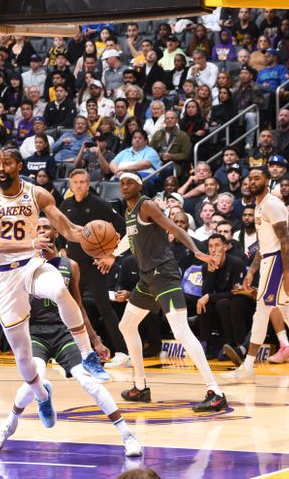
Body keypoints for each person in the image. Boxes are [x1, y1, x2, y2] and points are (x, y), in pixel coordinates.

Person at [0, 146, 110, 432]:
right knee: (24, 361)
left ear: (19, 166)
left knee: (60, 289)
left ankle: (87, 354)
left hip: (31, 265)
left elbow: (70, 229)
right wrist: (31, 243)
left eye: (6, 162)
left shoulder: (38, 194)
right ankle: (41, 395)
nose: (0, 167)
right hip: (4, 276)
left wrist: (100, 242)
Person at [0, 217, 142, 457]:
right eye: (37, 227)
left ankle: (127, 434)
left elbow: (78, 306)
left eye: (46, 227)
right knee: (33, 380)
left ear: (54, 233)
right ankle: (9, 423)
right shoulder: (21, 262)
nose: (42, 230)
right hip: (35, 332)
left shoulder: (70, 266)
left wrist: (95, 340)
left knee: (88, 382)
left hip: (64, 333)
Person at [96, 172, 227, 412]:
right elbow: (130, 237)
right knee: (127, 325)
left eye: (129, 183)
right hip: (147, 279)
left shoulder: (147, 205)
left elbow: (174, 229)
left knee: (181, 332)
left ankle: (215, 391)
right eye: (122, 183)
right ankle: (140, 386)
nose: (124, 186)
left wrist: (197, 252)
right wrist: (112, 254)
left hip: (164, 275)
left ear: (140, 185)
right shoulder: (129, 211)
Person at [221, 166, 289, 384]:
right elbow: (264, 244)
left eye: (257, 178)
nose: (251, 181)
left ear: (268, 180)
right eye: (249, 178)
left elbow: (285, 241)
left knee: (261, 312)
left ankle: (247, 367)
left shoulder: (272, 205)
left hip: (279, 260)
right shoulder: (259, 205)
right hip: (270, 259)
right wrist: (251, 271)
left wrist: (287, 273)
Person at [59, 169, 129, 365]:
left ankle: (123, 352)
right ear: (70, 185)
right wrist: (61, 251)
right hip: (73, 266)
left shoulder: (99, 204)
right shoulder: (65, 205)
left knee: (103, 306)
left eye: (83, 181)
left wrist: (110, 255)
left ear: (88, 184)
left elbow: (122, 228)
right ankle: (70, 351)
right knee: (68, 308)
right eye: (76, 182)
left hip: (95, 265)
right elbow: (59, 230)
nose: (79, 185)